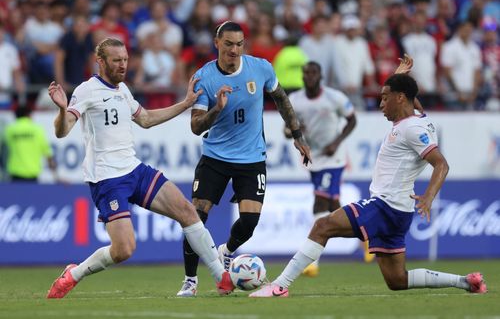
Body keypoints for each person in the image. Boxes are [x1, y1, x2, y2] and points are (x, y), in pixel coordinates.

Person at [249, 56, 487, 298]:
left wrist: (428, 196)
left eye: (385, 98)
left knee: (322, 226)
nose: (381, 104)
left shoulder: (412, 129)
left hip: (386, 206)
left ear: (401, 98)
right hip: (399, 210)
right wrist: (400, 75)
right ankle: (466, 282)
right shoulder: (417, 117)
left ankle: (279, 286)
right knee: (397, 280)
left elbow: (441, 165)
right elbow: (404, 92)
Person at [45, 37, 234, 299]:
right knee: (123, 250)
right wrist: (62, 109)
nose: (123, 65)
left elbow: (145, 119)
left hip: (134, 170)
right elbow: (63, 131)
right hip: (107, 178)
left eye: (125, 59)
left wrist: (185, 104)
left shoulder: (123, 90)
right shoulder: (86, 90)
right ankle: (73, 274)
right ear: (100, 62)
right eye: (116, 61)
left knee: (187, 212)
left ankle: (221, 278)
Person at [177, 21, 311, 297]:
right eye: (228, 44)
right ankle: (190, 280)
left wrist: (297, 134)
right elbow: (195, 126)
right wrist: (217, 108)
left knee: (249, 222)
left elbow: (282, 99)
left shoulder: (261, 68)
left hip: (251, 159)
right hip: (215, 157)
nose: (234, 50)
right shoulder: (205, 77)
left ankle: (225, 251)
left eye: (239, 44)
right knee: (194, 218)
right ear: (217, 43)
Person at [285, 61, 360, 276]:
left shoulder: (334, 97)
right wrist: (295, 130)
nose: (309, 76)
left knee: (319, 201)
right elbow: (286, 130)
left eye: (313, 73)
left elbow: (352, 120)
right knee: (334, 205)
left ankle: (311, 263)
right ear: (302, 76)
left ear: (320, 76)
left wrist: (337, 142)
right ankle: (365, 235)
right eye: (306, 73)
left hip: (334, 157)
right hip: (313, 157)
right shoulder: (295, 101)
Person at [3, 105, 57, 182]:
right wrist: (56, 177)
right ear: (28, 115)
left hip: (15, 174)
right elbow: (48, 154)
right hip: (32, 175)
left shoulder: (9, 130)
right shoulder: (37, 130)